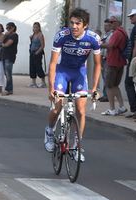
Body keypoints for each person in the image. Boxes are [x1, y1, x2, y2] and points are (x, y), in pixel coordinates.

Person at [44, 8, 101, 162]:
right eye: (72, 23)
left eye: (78, 23)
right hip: (62, 72)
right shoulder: (62, 36)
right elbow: (53, 63)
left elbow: (97, 65)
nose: (74, 26)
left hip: (79, 73)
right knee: (57, 106)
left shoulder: (93, 39)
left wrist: (94, 88)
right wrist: (51, 89)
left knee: (81, 111)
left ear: (85, 25)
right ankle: (49, 131)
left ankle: (76, 145)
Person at [100, 15, 128, 116]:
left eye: (112, 22)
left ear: (117, 23)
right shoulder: (123, 32)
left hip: (113, 62)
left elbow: (110, 46)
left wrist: (97, 44)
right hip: (120, 62)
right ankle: (122, 106)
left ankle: (112, 109)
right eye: (110, 22)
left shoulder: (117, 33)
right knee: (115, 85)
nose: (110, 24)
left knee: (109, 86)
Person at [98, 18, 113, 102]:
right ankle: (104, 94)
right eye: (104, 26)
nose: (105, 27)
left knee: (107, 77)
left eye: (107, 26)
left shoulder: (111, 35)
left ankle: (107, 96)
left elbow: (108, 45)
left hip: (108, 58)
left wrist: (101, 44)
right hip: (103, 58)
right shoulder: (105, 35)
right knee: (104, 77)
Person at [2, 22, 19, 96]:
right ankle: (9, 89)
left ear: (13, 28)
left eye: (9, 28)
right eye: (6, 28)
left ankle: (8, 89)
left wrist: (3, 44)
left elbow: (7, 44)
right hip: (4, 55)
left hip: (10, 56)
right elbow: (1, 41)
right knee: (6, 73)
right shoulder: (7, 35)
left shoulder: (14, 35)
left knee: (8, 73)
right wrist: (5, 35)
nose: (7, 29)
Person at [29, 22, 46, 88]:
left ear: (39, 28)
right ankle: (33, 82)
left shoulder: (40, 35)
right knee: (32, 67)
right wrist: (30, 38)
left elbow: (42, 45)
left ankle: (43, 82)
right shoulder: (33, 35)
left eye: (36, 27)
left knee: (38, 67)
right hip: (32, 52)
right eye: (34, 27)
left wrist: (37, 52)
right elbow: (32, 44)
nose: (35, 28)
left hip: (37, 53)